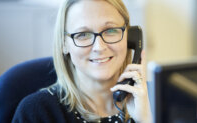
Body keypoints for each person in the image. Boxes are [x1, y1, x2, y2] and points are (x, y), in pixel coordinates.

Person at [12, 0, 152, 123]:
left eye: (110, 30)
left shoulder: (157, 100)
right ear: (64, 44)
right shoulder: (38, 112)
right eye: (83, 34)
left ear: (130, 37)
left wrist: (146, 121)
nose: (99, 47)